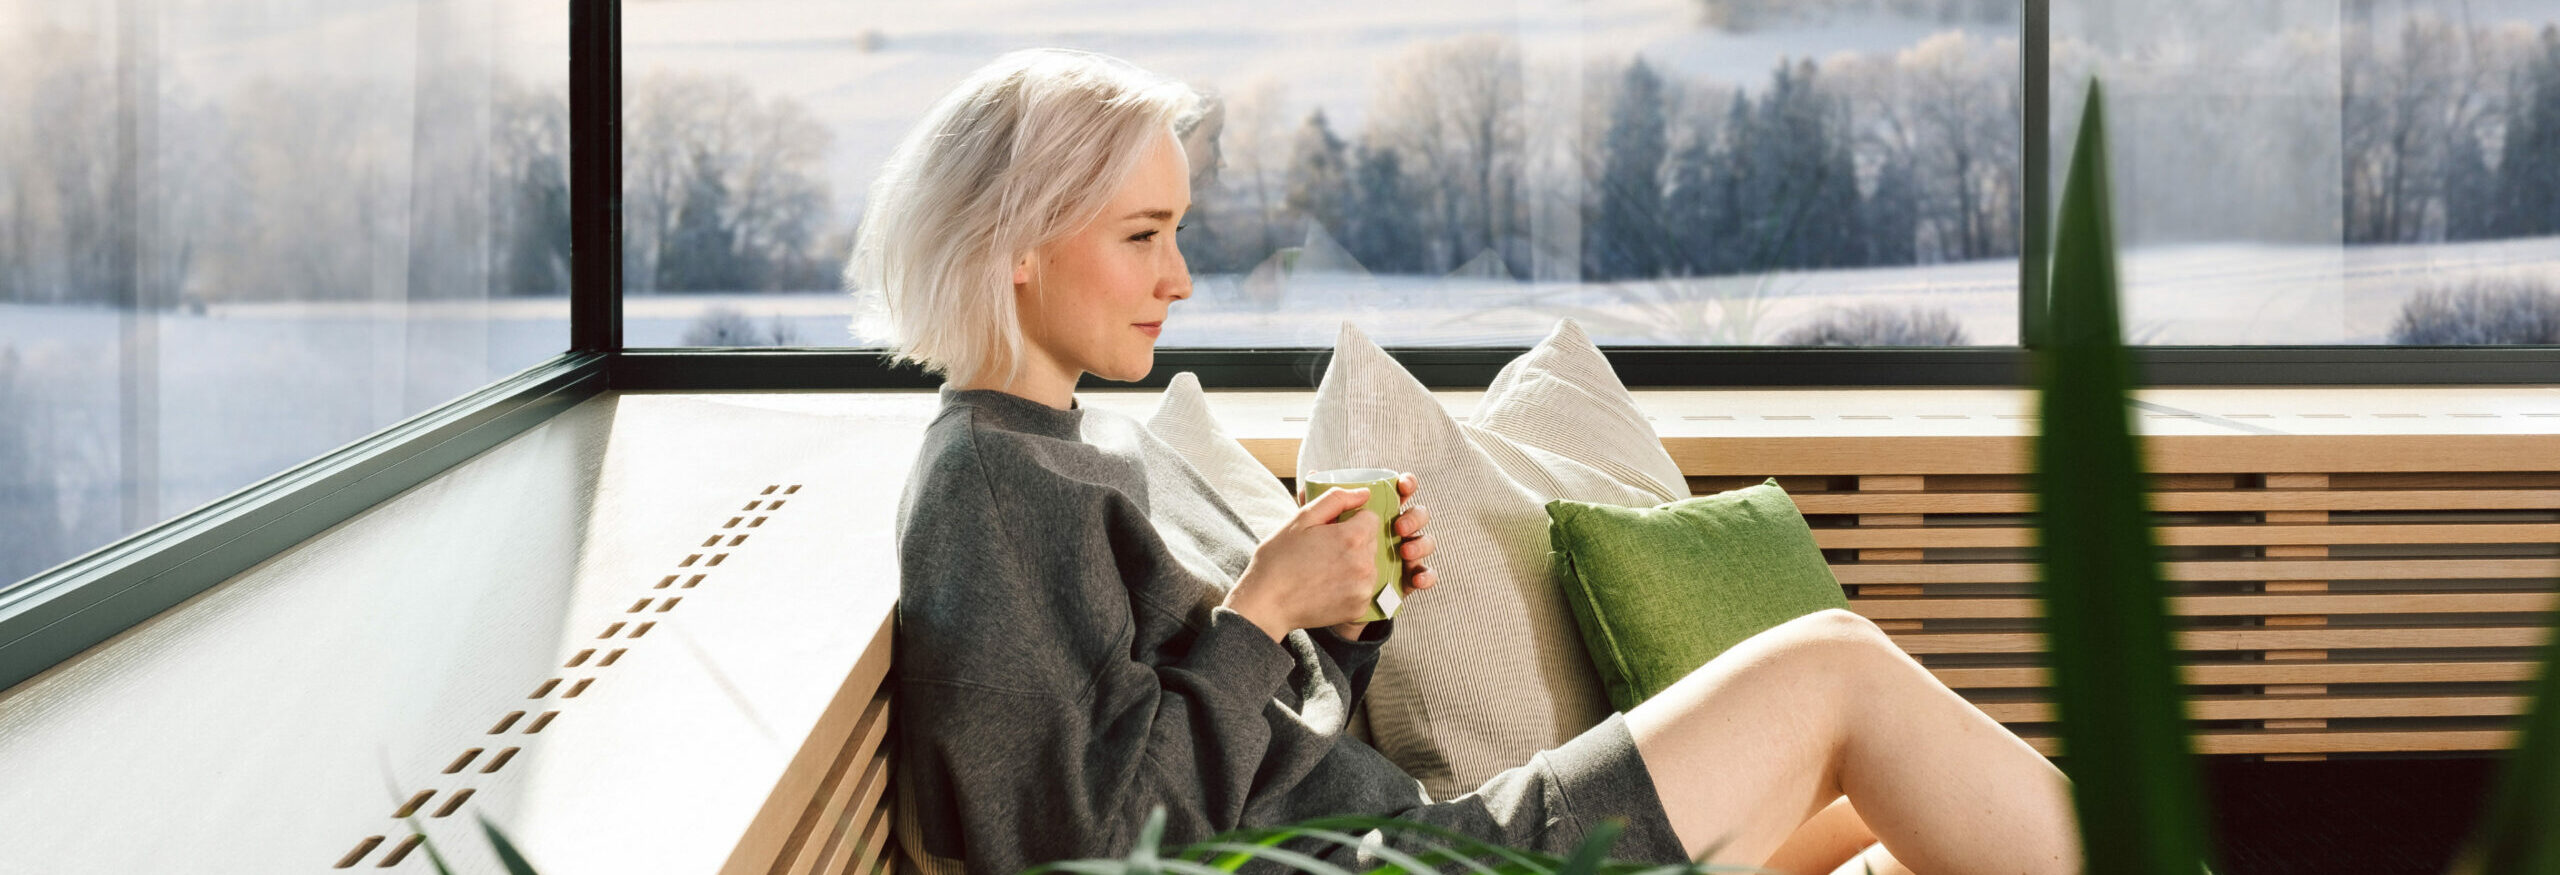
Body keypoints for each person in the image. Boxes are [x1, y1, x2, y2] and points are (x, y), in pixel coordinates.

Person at [860, 48, 2081, 875]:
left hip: (1401, 840)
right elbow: (1089, 839)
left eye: (1178, 232)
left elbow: (1205, 756)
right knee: (1836, 673)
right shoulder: (989, 487)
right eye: (1142, 236)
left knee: (1911, 808)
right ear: (1010, 243)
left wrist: (1330, 625)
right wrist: (1259, 609)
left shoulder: (1061, 452)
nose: (1179, 278)